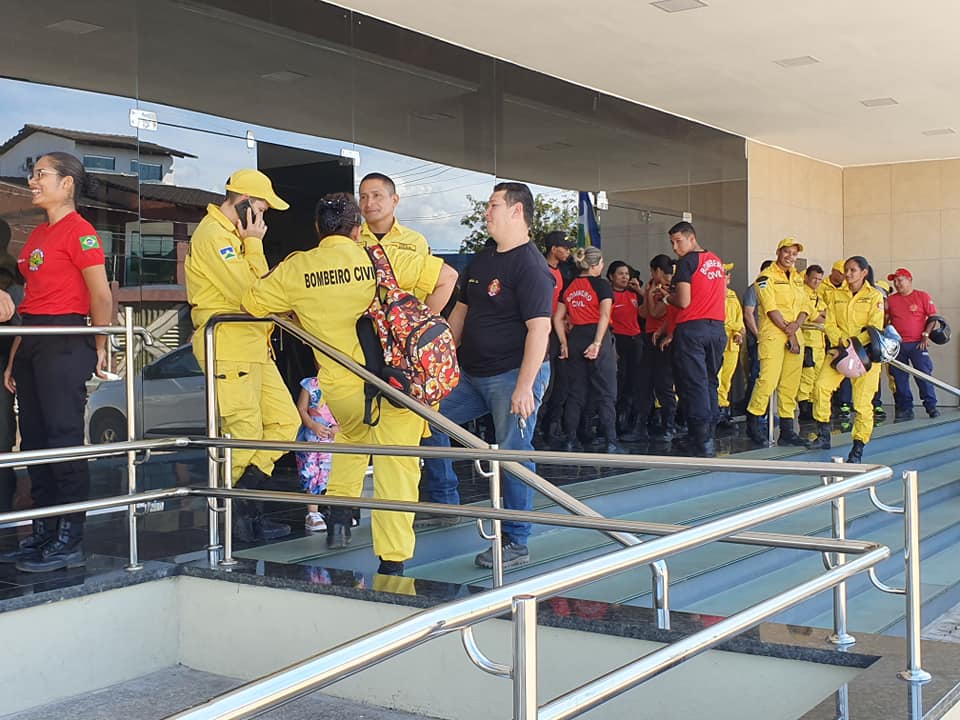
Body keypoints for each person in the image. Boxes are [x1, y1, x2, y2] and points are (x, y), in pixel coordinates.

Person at [241, 193, 457, 576]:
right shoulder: (382, 257)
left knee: (350, 441)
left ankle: (339, 519)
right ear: (357, 229)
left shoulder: (298, 267)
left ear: (318, 229)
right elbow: (447, 277)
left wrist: (294, 304)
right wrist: (416, 323)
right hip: (393, 384)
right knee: (396, 470)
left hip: (341, 390)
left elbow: (252, 303)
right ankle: (392, 561)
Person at [420, 182, 553, 569]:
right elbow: (460, 314)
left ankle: (516, 540)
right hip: (471, 374)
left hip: (513, 376)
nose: (486, 212)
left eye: (493, 205)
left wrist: (524, 387)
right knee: (426, 416)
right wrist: (440, 364)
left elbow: (540, 330)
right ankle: (444, 502)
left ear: (516, 211)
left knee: (513, 453)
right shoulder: (482, 260)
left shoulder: (531, 267)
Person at [0, 152, 111, 572]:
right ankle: (43, 530)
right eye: (32, 174)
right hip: (32, 338)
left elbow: (100, 294)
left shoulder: (81, 232)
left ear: (67, 184)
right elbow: (31, 303)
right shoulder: (36, 236)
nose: (32, 181)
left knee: (63, 439)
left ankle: (70, 536)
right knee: (34, 441)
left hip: (65, 337)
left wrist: (99, 342)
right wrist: (14, 356)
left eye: (41, 174)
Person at [184, 168, 300, 543]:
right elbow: (255, 294)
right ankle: (237, 518)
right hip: (230, 347)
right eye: (262, 209)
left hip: (252, 346)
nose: (263, 219)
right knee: (245, 434)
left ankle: (244, 501)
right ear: (246, 203)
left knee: (285, 422)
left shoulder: (231, 237)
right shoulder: (214, 236)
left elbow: (260, 293)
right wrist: (254, 245)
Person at [658, 222, 726, 457]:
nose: (675, 248)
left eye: (678, 241)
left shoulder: (686, 262)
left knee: (694, 384)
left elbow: (684, 301)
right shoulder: (715, 260)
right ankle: (708, 436)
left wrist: (667, 298)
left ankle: (701, 440)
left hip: (693, 329)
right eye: (672, 243)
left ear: (691, 238)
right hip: (717, 328)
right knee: (710, 382)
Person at [807, 257, 884, 464]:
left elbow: (874, 327)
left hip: (865, 356)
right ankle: (823, 434)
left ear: (864, 272)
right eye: (846, 270)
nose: (847, 274)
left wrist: (853, 344)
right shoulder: (835, 295)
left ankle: (858, 448)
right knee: (821, 387)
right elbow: (829, 323)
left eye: (852, 270)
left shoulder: (874, 296)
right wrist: (842, 342)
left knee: (862, 404)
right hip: (839, 351)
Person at [553, 247, 623, 454]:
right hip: (597, 337)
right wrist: (598, 343)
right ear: (595, 265)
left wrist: (564, 342)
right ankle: (611, 442)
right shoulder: (601, 285)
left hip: (575, 338)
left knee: (575, 393)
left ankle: (570, 440)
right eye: (601, 263)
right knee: (606, 392)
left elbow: (557, 318)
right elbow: (604, 315)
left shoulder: (570, 286)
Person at [745, 238, 810, 447]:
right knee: (768, 380)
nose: (790, 257)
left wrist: (796, 325)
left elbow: (805, 306)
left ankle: (787, 430)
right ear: (778, 252)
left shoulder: (798, 278)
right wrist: (790, 332)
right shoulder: (765, 277)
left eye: (794, 253)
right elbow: (770, 308)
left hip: (795, 334)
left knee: (790, 384)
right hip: (774, 335)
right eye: (787, 252)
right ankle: (753, 422)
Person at [632, 254, 678, 443]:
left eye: (653, 271)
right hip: (650, 336)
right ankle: (641, 426)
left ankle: (669, 426)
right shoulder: (652, 286)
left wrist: (651, 295)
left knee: (664, 384)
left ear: (657, 270)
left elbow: (656, 312)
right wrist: (647, 294)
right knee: (644, 382)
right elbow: (644, 312)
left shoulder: (671, 288)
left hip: (664, 339)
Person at [536, 231, 576, 446]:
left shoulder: (563, 272)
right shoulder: (539, 270)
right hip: (540, 331)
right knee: (544, 384)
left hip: (556, 331)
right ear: (553, 249)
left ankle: (550, 429)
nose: (568, 252)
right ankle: (534, 431)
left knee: (559, 383)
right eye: (565, 248)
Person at [886, 267, 941, 419]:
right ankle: (905, 409)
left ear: (909, 280)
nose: (897, 284)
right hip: (897, 346)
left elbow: (933, 317)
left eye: (900, 280)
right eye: (895, 281)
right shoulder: (891, 300)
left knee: (923, 375)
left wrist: (926, 334)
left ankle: (931, 406)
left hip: (918, 345)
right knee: (899, 378)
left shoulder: (922, 296)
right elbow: (885, 320)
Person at [295, 375, 340, 533]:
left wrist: (339, 428)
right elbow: (301, 408)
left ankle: (335, 511)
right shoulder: (310, 384)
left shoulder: (342, 382)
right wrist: (312, 425)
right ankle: (312, 513)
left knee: (334, 473)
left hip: (334, 437)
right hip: (313, 436)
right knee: (312, 473)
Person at [607, 260, 643, 436]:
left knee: (634, 381)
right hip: (618, 340)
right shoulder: (608, 296)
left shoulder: (634, 294)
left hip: (635, 341)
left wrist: (640, 290)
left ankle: (628, 419)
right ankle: (615, 421)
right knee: (619, 381)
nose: (624, 277)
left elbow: (647, 312)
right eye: (620, 274)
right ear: (611, 276)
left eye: (627, 274)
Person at [358, 172, 430, 257]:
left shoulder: (416, 241)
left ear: (394, 200)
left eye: (376, 195)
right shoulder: (351, 239)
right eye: (363, 197)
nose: (369, 203)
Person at [741, 260, 773, 409]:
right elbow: (748, 314)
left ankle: (766, 410)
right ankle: (752, 408)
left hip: (774, 338)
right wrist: (759, 336)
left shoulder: (774, 289)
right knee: (757, 374)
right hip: (759, 339)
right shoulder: (754, 289)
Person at [797, 264, 827, 421]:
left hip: (820, 343)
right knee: (807, 377)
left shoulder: (818, 295)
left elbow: (826, 314)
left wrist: (821, 316)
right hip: (808, 342)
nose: (817, 282)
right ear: (806, 277)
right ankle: (804, 409)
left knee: (817, 377)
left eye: (820, 279)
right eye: (814, 278)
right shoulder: (802, 293)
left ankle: (812, 406)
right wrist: (820, 316)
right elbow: (815, 317)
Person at [717, 263, 743, 426]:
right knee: (716, 377)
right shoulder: (712, 293)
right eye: (725, 273)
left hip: (732, 342)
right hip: (718, 338)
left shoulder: (732, 295)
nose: (728, 276)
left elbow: (739, 318)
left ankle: (723, 409)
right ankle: (715, 410)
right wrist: (734, 326)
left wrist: (738, 332)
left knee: (727, 378)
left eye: (728, 273)